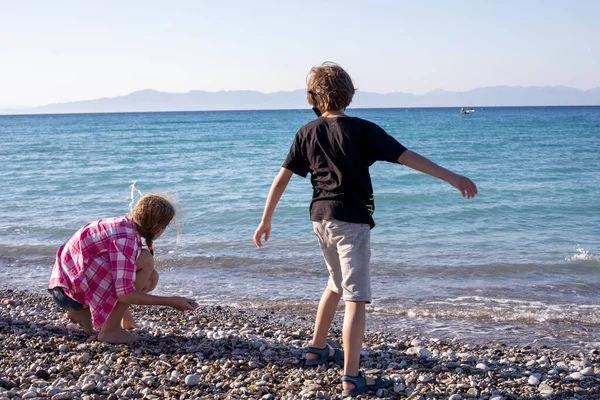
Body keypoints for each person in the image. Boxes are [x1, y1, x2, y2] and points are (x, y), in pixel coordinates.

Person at [253, 62, 478, 397]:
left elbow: (282, 177)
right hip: (351, 221)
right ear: (350, 95)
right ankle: (352, 376)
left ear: (313, 97)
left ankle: (317, 348)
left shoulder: (307, 132)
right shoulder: (362, 130)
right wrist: (452, 177)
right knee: (356, 297)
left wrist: (265, 218)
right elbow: (407, 157)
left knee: (335, 283)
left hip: (320, 218)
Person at [48, 194, 198, 344]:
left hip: (64, 290)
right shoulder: (125, 238)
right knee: (145, 261)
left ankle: (82, 312)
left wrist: (125, 314)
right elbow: (125, 294)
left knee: (150, 277)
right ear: (157, 227)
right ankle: (110, 330)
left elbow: (117, 271)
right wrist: (171, 301)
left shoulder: (123, 225)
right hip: (70, 295)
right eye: (165, 227)